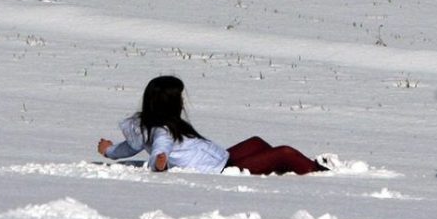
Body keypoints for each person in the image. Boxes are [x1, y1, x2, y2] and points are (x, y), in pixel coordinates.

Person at [96, 75, 326, 176]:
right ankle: (316, 173)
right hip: (221, 170)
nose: (183, 101)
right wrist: (159, 163)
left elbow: (130, 147)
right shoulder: (162, 131)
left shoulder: (148, 124)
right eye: (179, 97)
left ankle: (281, 168)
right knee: (284, 152)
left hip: (222, 159)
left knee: (256, 142)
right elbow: (159, 151)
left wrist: (109, 150)